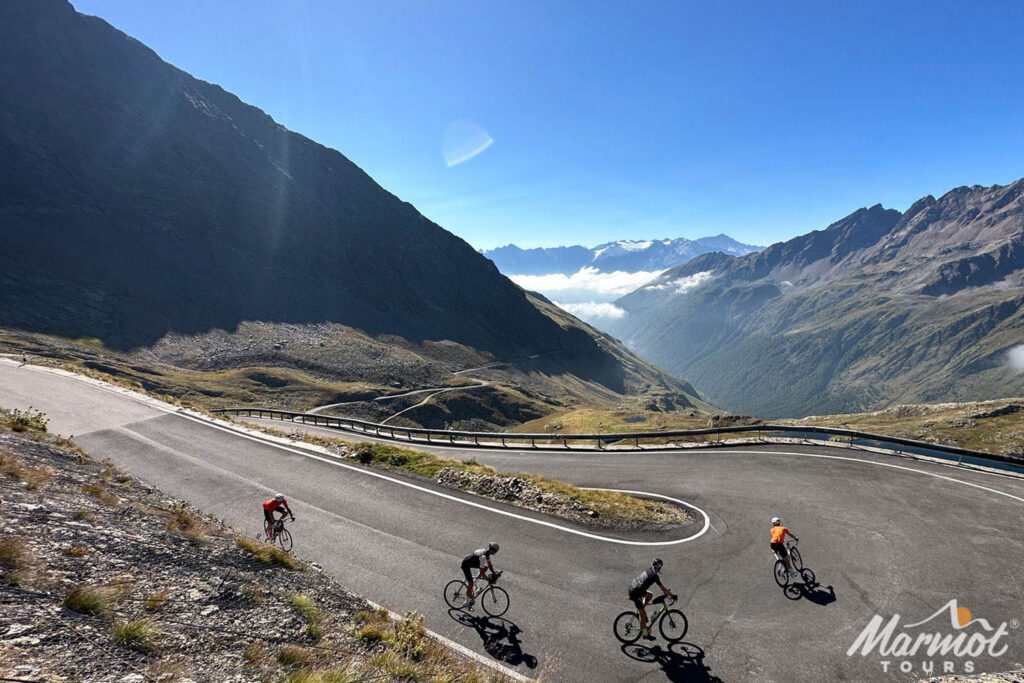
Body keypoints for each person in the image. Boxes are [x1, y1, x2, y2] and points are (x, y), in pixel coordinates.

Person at [628, 558, 675, 640]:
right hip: (635, 593)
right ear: (658, 567)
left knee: (650, 595)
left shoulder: (649, 570)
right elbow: (663, 588)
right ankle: (645, 634)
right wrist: (672, 595)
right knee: (642, 614)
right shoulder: (654, 576)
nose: (661, 569)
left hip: (635, 588)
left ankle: (642, 608)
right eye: (660, 567)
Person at [461, 542, 499, 610]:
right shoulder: (483, 556)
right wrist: (488, 580)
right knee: (470, 583)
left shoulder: (486, 552)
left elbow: (489, 564)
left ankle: (475, 582)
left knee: (486, 567)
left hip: (471, 561)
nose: (495, 553)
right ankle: (466, 603)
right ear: (492, 550)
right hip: (465, 565)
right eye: (495, 551)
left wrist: (493, 573)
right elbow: (482, 573)